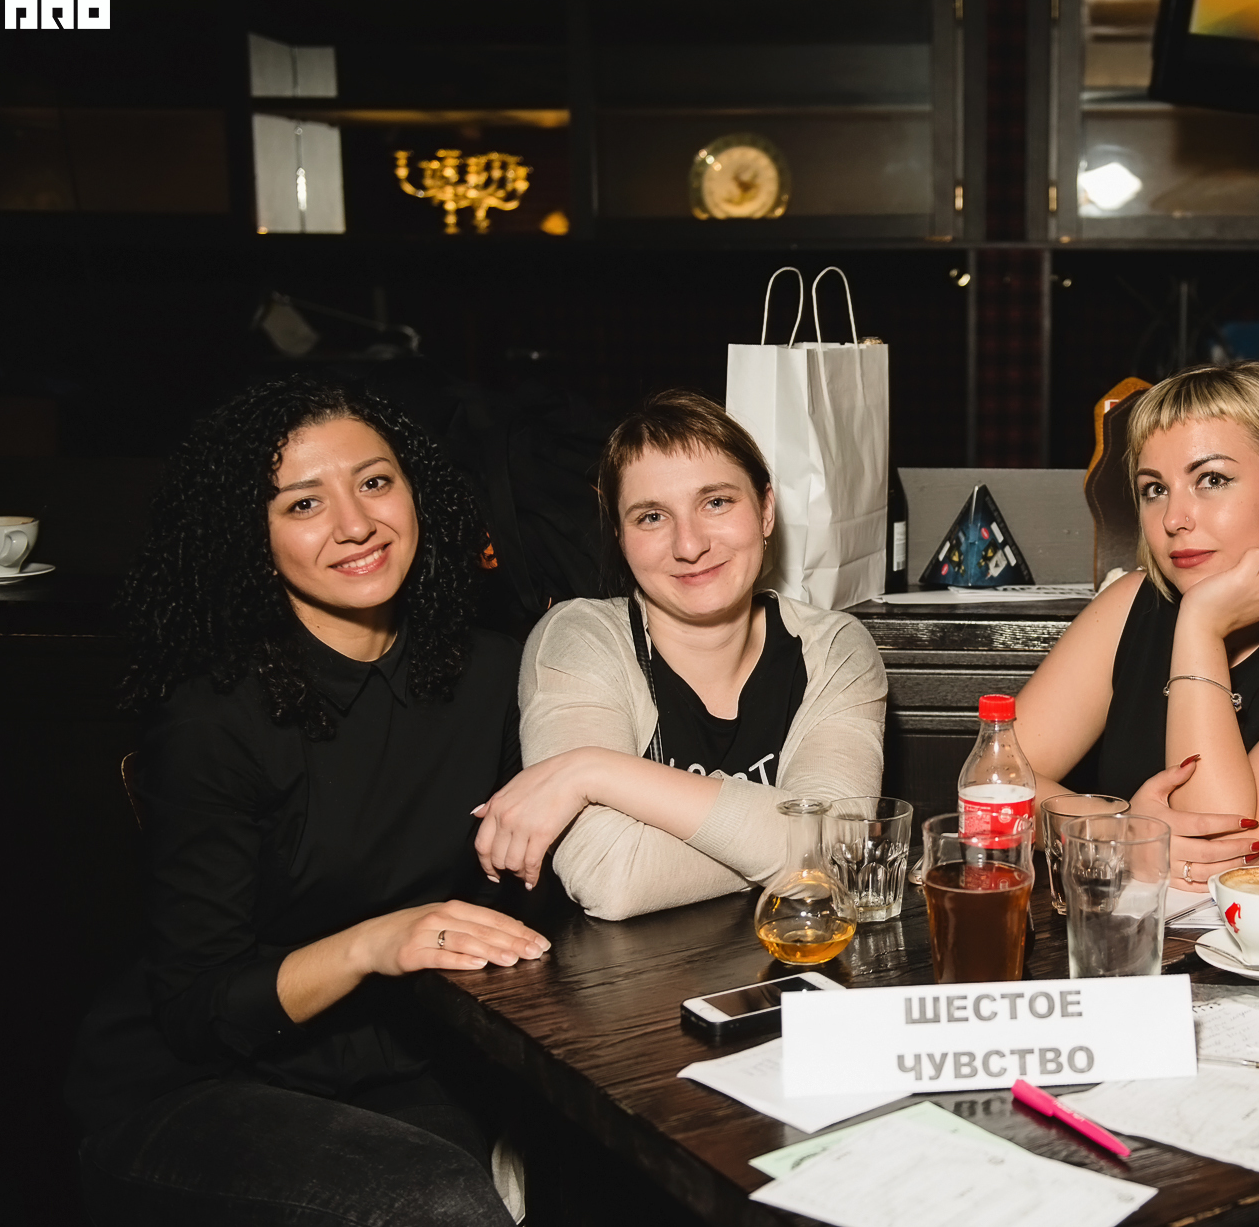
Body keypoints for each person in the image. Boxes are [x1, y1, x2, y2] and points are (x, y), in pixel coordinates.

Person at [66, 379, 547, 1227]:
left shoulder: (494, 673)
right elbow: (196, 1010)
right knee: (441, 1205)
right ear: (252, 536)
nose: (356, 525)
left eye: (375, 482)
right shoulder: (216, 721)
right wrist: (374, 944)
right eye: (303, 503)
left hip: (405, 1058)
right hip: (202, 1086)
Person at [471, 389, 886, 920]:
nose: (689, 545)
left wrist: (593, 771)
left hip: (799, 954)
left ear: (765, 510)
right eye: (651, 517)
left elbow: (837, 853)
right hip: (629, 972)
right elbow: (610, 878)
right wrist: (794, 849)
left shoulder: (835, 650)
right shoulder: (579, 640)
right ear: (619, 536)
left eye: (716, 502)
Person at [1013, 362, 1259, 891]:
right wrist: (1116, 831)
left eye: (1212, 480)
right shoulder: (1131, 602)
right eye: (1154, 489)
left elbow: (1220, 858)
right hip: (1127, 932)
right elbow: (991, 779)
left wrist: (1200, 628)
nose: (1174, 519)